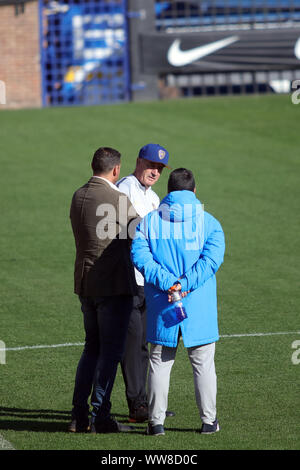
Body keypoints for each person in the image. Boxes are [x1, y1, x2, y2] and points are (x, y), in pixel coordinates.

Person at [131, 168, 225, 436]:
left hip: (163, 304)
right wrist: (184, 284)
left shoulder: (148, 222)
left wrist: (169, 283)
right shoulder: (210, 223)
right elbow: (210, 262)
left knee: (159, 363)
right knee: (203, 365)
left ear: (168, 193)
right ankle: (209, 422)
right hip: (198, 307)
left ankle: (156, 423)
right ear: (194, 192)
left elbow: (140, 257)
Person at [68, 147, 139, 434]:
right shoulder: (117, 198)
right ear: (116, 170)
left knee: (91, 349)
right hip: (112, 286)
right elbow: (140, 233)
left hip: (85, 283)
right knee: (110, 352)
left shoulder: (78, 195)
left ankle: (79, 415)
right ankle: (100, 416)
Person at [117, 143, 175, 423]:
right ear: (138, 161)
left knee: (145, 341)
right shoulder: (125, 187)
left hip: (147, 280)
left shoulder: (152, 197)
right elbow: (128, 229)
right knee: (133, 343)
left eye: (160, 168)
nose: (155, 172)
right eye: (151, 165)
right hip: (129, 279)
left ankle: (150, 404)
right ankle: (136, 403)